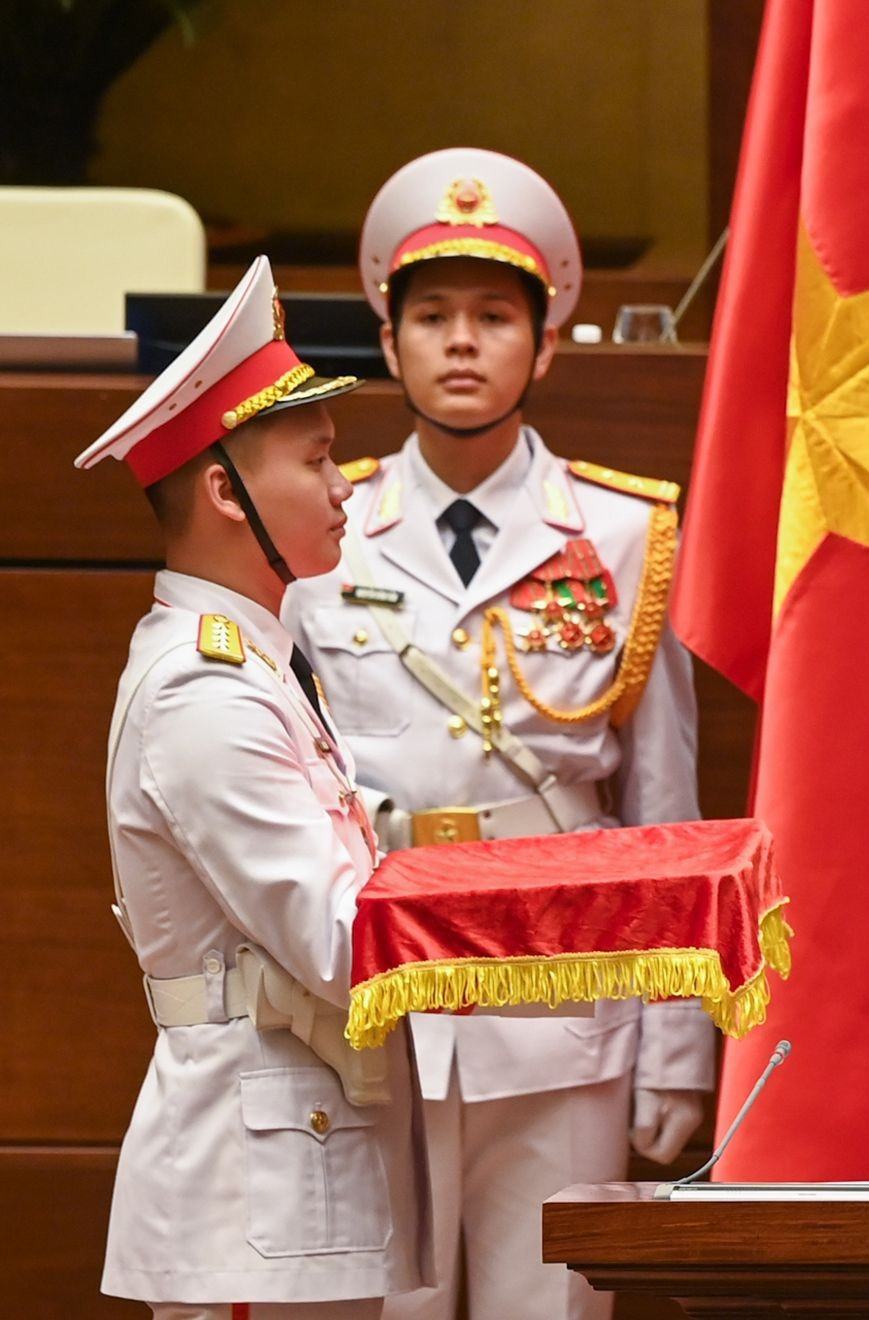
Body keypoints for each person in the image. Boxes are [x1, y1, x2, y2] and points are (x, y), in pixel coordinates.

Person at [283, 148, 711, 1320]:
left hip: (564, 998)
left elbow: (661, 809)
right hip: (378, 985)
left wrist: (676, 1050)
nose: (461, 342)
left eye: (492, 316)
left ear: (547, 342)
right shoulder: (326, 533)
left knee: (548, 1307)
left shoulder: (625, 535)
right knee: (387, 1305)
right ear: (387, 338)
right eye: (432, 316)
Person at [82, 256, 432, 1318]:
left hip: (295, 1165)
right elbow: (336, 941)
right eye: (318, 459)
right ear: (227, 491)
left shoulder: (255, 662)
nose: (344, 486)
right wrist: (535, 923)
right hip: (256, 1185)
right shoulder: (207, 689)